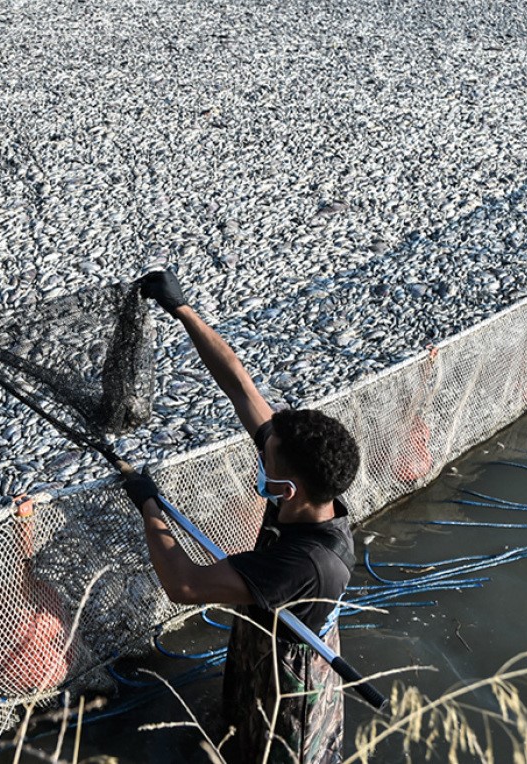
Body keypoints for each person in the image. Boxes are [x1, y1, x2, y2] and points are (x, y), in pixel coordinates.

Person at [123, 268, 359, 763]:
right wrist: (181, 309)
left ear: (287, 487)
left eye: (266, 455)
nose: (261, 449)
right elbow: (239, 386)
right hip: (267, 630)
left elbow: (184, 585)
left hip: (290, 685)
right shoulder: (307, 493)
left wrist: (149, 506)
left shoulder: (305, 560)